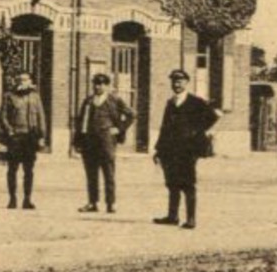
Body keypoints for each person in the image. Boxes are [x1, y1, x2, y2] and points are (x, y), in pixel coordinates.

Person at [152, 68, 219, 230]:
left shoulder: (196, 102)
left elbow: (213, 116)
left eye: (180, 81)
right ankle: (172, 216)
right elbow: (164, 128)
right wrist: (158, 150)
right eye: (174, 81)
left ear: (186, 83)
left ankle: (191, 219)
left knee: (188, 184)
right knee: (172, 183)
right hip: (170, 150)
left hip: (188, 150)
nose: (177, 84)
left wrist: (196, 131)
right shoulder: (170, 103)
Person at [73, 72, 136, 214]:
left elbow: (131, 115)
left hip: (106, 141)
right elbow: (81, 121)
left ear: (107, 86)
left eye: (101, 84)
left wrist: (119, 129)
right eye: (96, 83)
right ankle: (92, 202)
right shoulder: (88, 101)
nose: (98, 86)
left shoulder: (114, 100)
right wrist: (78, 140)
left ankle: (111, 203)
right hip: (89, 141)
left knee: (108, 172)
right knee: (91, 173)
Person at [0, 70, 48, 210]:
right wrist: (9, 130)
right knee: (12, 169)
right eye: (19, 80)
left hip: (30, 137)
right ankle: (12, 199)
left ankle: (27, 199)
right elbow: (3, 116)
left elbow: (41, 117)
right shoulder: (9, 96)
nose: (22, 82)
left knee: (29, 170)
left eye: (25, 80)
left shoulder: (35, 97)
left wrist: (42, 136)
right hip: (15, 137)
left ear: (30, 81)